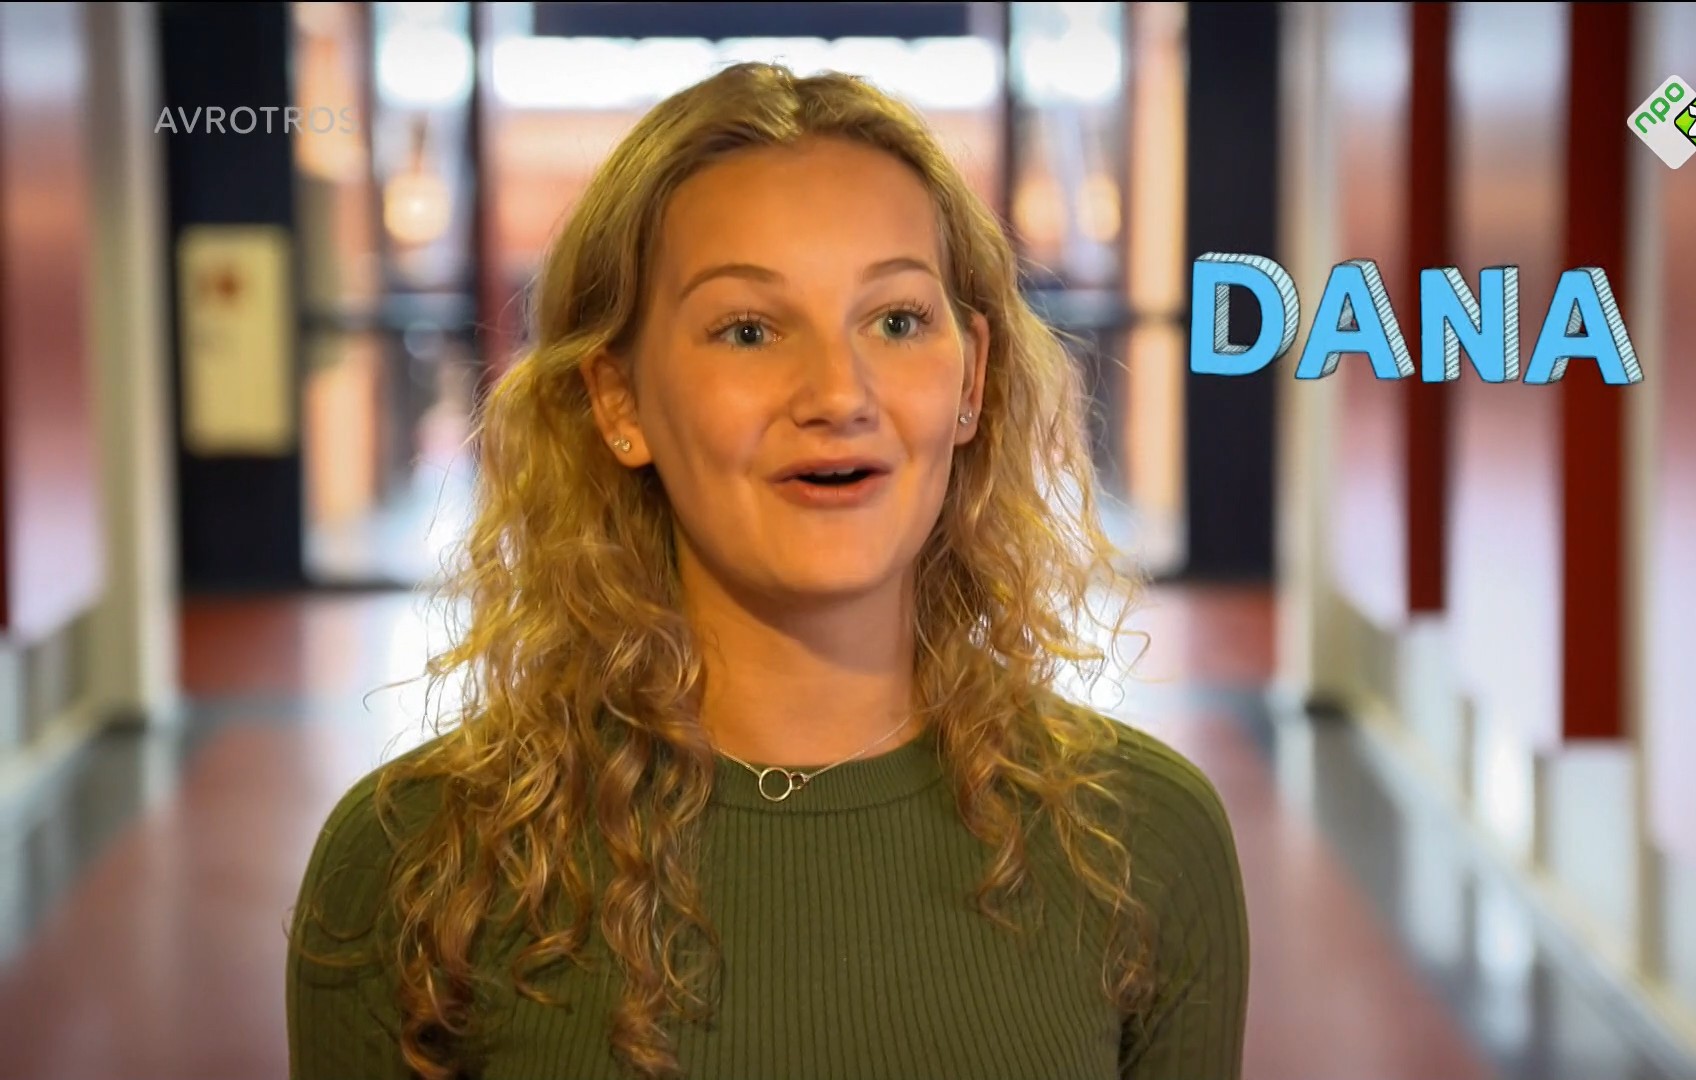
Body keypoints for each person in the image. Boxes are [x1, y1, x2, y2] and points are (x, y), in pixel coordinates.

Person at [287, 61, 1250, 1080]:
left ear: (971, 377)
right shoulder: (413, 864)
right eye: (747, 330)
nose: (839, 394)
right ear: (619, 400)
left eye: (896, 321)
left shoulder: (1143, 840)